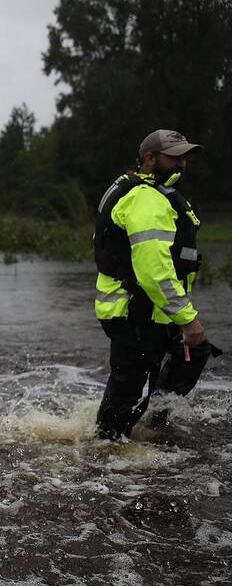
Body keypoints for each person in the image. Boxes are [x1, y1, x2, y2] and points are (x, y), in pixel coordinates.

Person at [93, 129, 218, 440]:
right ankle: (103, 457)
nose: (182, 164)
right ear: (150, 158)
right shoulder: (146, 199)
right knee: (124, 398)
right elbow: (153, 272)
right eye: (174, 157)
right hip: (135, 312)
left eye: (184, 157)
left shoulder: (152, 193)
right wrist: (187, 318)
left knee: (194, 352)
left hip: (151, 311)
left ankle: (152, 425)